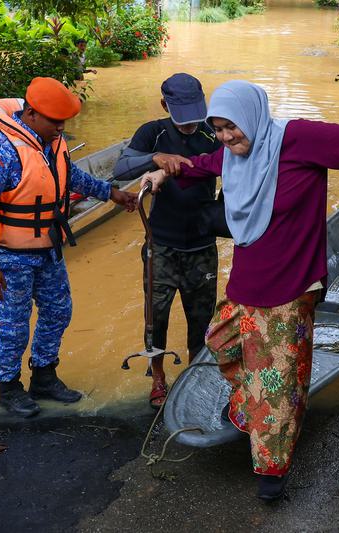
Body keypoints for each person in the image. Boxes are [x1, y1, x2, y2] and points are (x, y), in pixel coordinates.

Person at [141, 80, 339, 502]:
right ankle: (251, 406)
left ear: (251, 115)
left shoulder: (296, 138)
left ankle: (272, 473)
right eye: (218, 128)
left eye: (231, 127)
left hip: (291, 282)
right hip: (249, 279)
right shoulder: (236, 155)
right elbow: (207, 162)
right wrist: (166, 170)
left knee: (276, 379)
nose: (225, 136)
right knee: (220, 340)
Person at [0, 77, 138, 418]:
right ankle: (9, 388)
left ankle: (44, 377)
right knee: (14, 325)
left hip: (48, 248)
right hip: (10, 256)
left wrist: (110, 193)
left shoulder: (52, 143)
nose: (61, 128)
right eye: (54, 121)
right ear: (30, 113)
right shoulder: (0, 150)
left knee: (59, 311)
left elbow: (69, 176)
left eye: (64, 122)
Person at [112, 73, 223, 409]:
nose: (190, 125)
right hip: (161, 245)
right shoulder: (153, 133)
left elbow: (238, 167)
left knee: (201, 319)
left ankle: (195, 376)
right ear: (165, 105)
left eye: (195, 116)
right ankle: (157, 375)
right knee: (155, 317)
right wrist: (155, 159)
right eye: (183, 118)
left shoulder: (212, 132)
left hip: (201, 244)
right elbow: (120, 169)